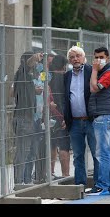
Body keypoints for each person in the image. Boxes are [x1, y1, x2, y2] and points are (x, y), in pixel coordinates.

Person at [86, 46, 110, 196]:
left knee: (103, 153)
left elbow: (94, 88)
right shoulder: (106, 72)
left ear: (108, 58)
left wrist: (93, 70)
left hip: (104, 117)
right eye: (96, 57)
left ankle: (102, 185)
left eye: (101, 57)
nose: (98, 60)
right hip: (106, 116)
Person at [63, 46, 99, 187]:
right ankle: (80, 184)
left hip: (91, 120)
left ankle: (99, 183)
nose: (75, 59)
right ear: (69, 60)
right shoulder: (67, 76)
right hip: (75, 123)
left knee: (96, 154)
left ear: (84, 57)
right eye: (72, 57)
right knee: (78, 155)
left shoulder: (91, 71)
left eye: (78, 56)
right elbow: (65, 98)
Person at [11, 51, 45, 185]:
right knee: (22, 152)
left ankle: (27, 180)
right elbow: (27, 65)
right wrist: (34, 58)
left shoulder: (31, 77)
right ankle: (18, 182)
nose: (37, 64)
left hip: (32, 118)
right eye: (35, 62)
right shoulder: (21, 74)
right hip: (23, 118)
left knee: (31, 152)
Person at [48, 54, 71, 179]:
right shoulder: (65, 78)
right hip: (62, 115)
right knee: (64, 145)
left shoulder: (48, 78)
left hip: (50, 115)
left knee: (52, 144)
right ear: (63, 66)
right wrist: (65, 117)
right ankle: (65, 174)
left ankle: (51, 172)